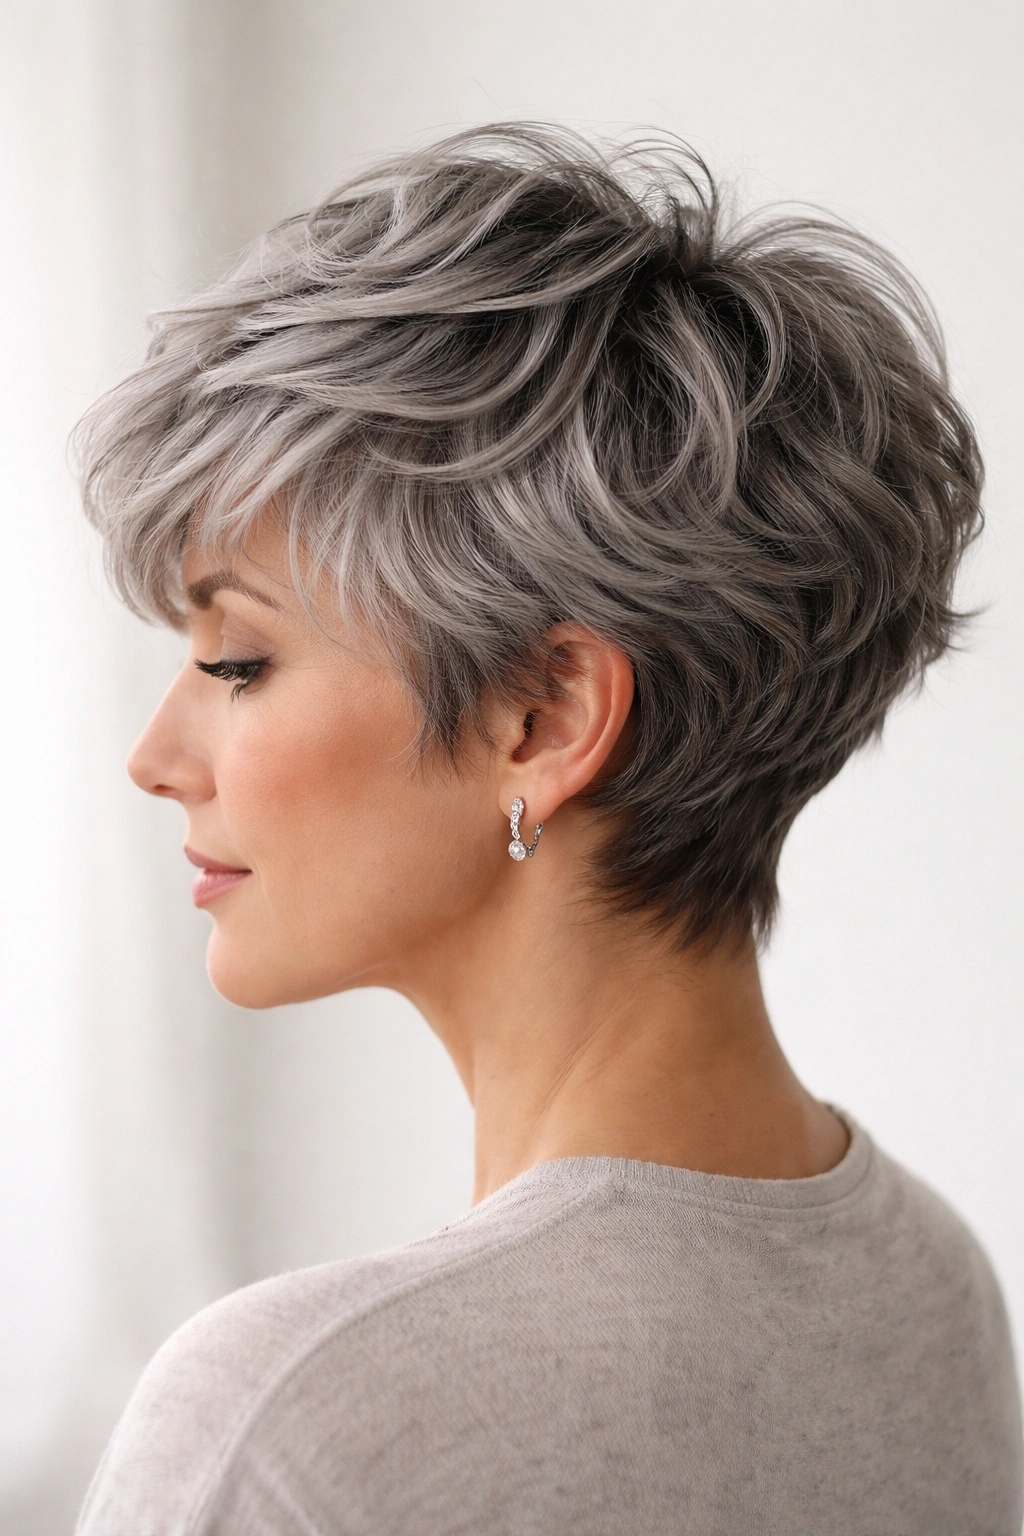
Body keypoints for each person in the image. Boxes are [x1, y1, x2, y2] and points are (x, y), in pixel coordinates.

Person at [72, 123, 1021, 1534]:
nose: (156, 760)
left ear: (545, 716)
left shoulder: (298, 1416)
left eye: (236, 662)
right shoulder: (935, 1281)